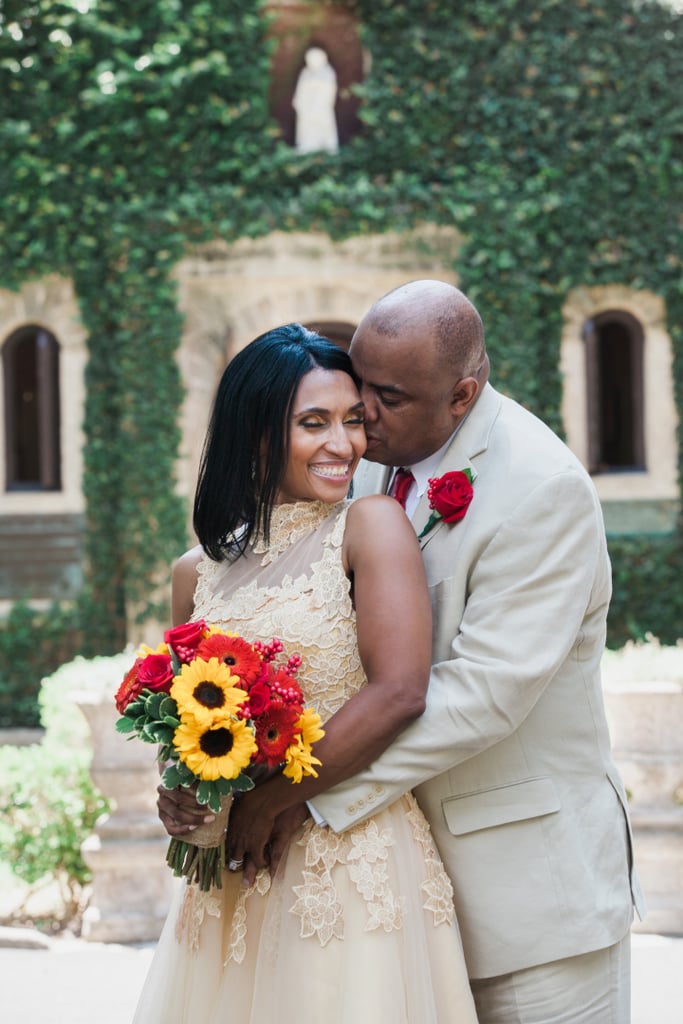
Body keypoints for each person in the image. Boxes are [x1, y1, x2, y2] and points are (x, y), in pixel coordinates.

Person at [214, 281, 645, 1023]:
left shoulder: (542, 488)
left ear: (462, 395)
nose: (360, 418)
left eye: (385, 397)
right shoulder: (373, 460)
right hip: (396, 904)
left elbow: (482, 694)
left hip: (529, 905)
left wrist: (301, 792)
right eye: (357, 387)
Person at [135, 323, 478, 1023]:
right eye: (313, 423)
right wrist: (177, 798)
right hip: (232, 876)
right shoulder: (193, 574)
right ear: (255, 432)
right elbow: (189, 733)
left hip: (348, 861)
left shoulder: (369, 526)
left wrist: (273, 799)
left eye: (352, 421)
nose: (343, 444)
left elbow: (400, 690)